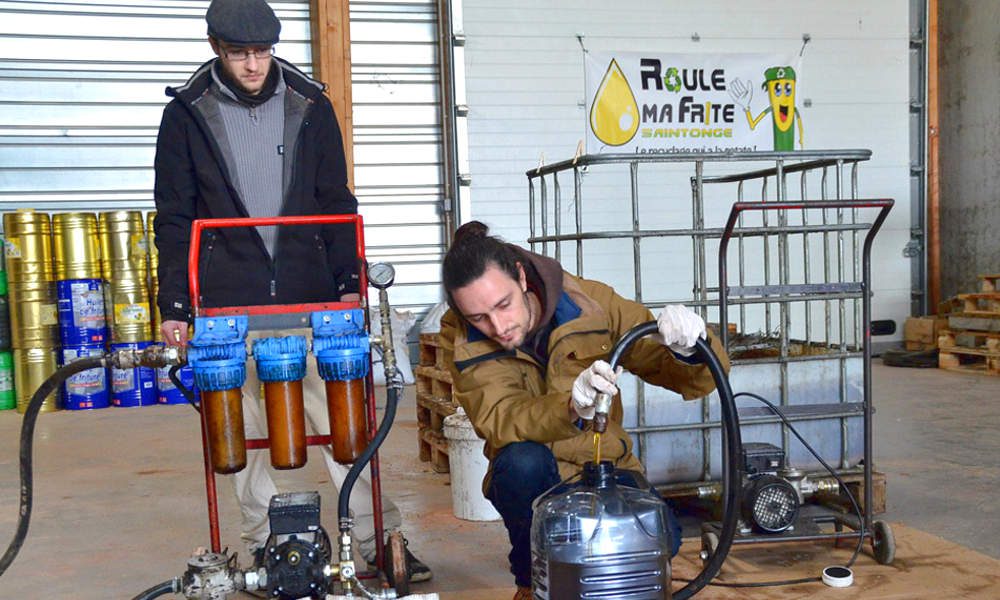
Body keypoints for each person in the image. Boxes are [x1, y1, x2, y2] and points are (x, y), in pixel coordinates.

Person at [152, 0, 430, 582]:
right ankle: (260, 545)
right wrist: (176, 305)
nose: (252, 65)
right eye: (238, 53)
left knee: (344, 426)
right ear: (215, 48)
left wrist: (349, 283)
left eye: (261, 51)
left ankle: (380, 537)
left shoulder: (310, 105)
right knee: (243, 434)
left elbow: (336, 200)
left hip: (309, 296)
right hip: (227, 301)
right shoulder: (185, 115)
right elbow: (174, 216)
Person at [438, 221, 729, 599]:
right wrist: (571, 406)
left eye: (503, 305)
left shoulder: (590, 303)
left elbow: (684, 372)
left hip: (604, 467)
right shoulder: (460, 336)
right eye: (479, 317)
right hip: (536, 474)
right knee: (519, 464)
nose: (498, 326)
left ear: (522, 277)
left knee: (664, 540)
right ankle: (531, 581)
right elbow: (501, 418)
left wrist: (689, 347)